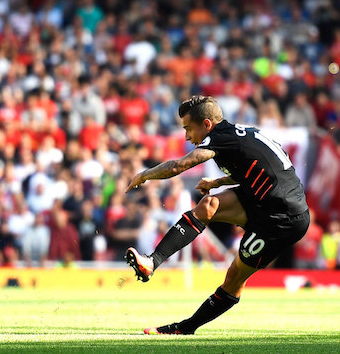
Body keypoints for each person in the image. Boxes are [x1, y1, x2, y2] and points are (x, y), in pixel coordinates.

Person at [125, 95, 309, 335]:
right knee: (208, 205)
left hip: (282, 218)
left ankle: (186, 327)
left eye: (189, 129)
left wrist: (144, 175)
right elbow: (264, 164)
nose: (187, 137)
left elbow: (178, 166)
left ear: (207, 125)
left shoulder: (218, 139)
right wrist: (219, 181)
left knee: (234, 279)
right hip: (263, 199)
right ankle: (151, 262)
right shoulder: (240, 134)